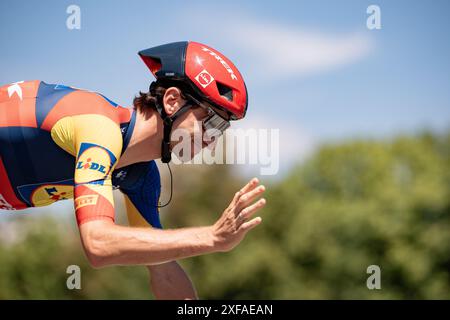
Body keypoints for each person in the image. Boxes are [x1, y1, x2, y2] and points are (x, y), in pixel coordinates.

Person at [0, 41, 266, 299]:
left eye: (221, 129)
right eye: (211, 122)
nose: (212, 138)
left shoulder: (141, 177)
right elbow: (98, 244)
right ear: (173, 100)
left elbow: (164, 271)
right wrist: (212, 236)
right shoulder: (99, 128)